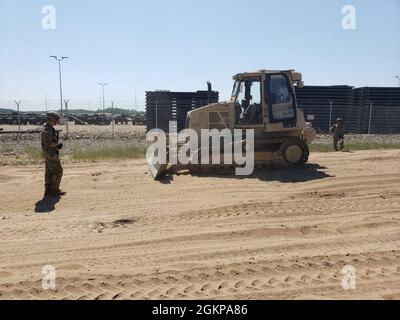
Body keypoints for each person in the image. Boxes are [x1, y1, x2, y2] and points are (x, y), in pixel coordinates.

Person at [41, 112, 65, 196]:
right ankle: (54, 190)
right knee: (58, 171)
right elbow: (49, 143)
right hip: (50, 154)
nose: (57, 121)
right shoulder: (47, 130)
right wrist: (57, 145)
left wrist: (56, 146)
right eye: (56, 119)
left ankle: (48, 190)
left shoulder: (48, 128)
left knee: (49, 172)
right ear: (52, 119)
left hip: (48, 153)